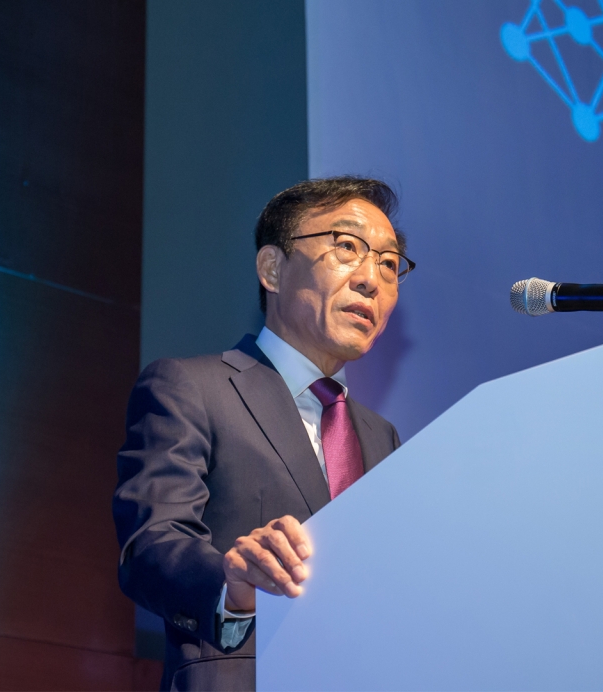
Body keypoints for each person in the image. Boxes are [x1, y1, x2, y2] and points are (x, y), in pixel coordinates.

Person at [113, 176, 415, 691]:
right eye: (348, 247)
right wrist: (232, 583)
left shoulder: (383, 437)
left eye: (389, 264)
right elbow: (152, 544)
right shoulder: (191, 387)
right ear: (272, 268)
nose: (371, 279)